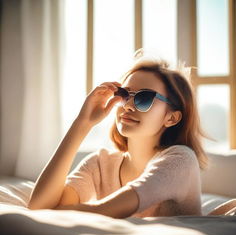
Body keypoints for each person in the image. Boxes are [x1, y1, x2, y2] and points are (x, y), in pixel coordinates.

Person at [27, 52, 208, 219]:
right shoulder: (101, 163)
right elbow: (39, 207)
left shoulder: (181, 160)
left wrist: (56, 211)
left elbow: (101, 211)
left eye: (144, 98)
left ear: (171, 118)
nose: (128, 105)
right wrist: (83, 122)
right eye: (123, 94)